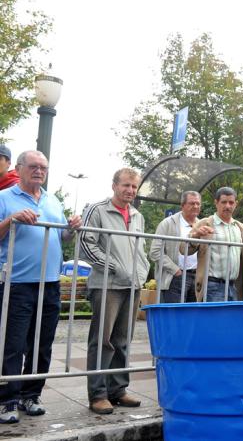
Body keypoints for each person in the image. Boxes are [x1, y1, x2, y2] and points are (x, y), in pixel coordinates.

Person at [0, 150, 81, 423]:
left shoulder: (53, 200)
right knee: (12, 345)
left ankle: (31, 395)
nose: (39, 171)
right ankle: (7, 400)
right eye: (33, 166)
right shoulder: (4, 198)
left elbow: (62, 238)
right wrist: (11, 220)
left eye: (43, 167)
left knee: (42, 344)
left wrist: (72, 228)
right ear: (20, 168)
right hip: (17, 284)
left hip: (50, 284)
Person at [79, 168, 150, 415]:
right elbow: (85, 244)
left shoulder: (138, 215)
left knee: (123, 341)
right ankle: (97, 394)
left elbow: (140, 249)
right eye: (126, 185)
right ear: (114, 185)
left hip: (133, 285)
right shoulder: (97, 210)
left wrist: (141, 271)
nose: (130, 190)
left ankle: (117, 390)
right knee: (102, 341)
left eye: (134, 187)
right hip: (107, 285)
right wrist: (114, 267)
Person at [149, 191, 201, 303]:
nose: (195, 206)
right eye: (192, 203)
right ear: (182, 205)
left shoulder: (202, 225)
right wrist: (175, 270)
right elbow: (155, 252)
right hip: (175, 278)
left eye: (198, 203)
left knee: (192, 318)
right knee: (175, 317)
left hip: (197, 278)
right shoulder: (167, 223)